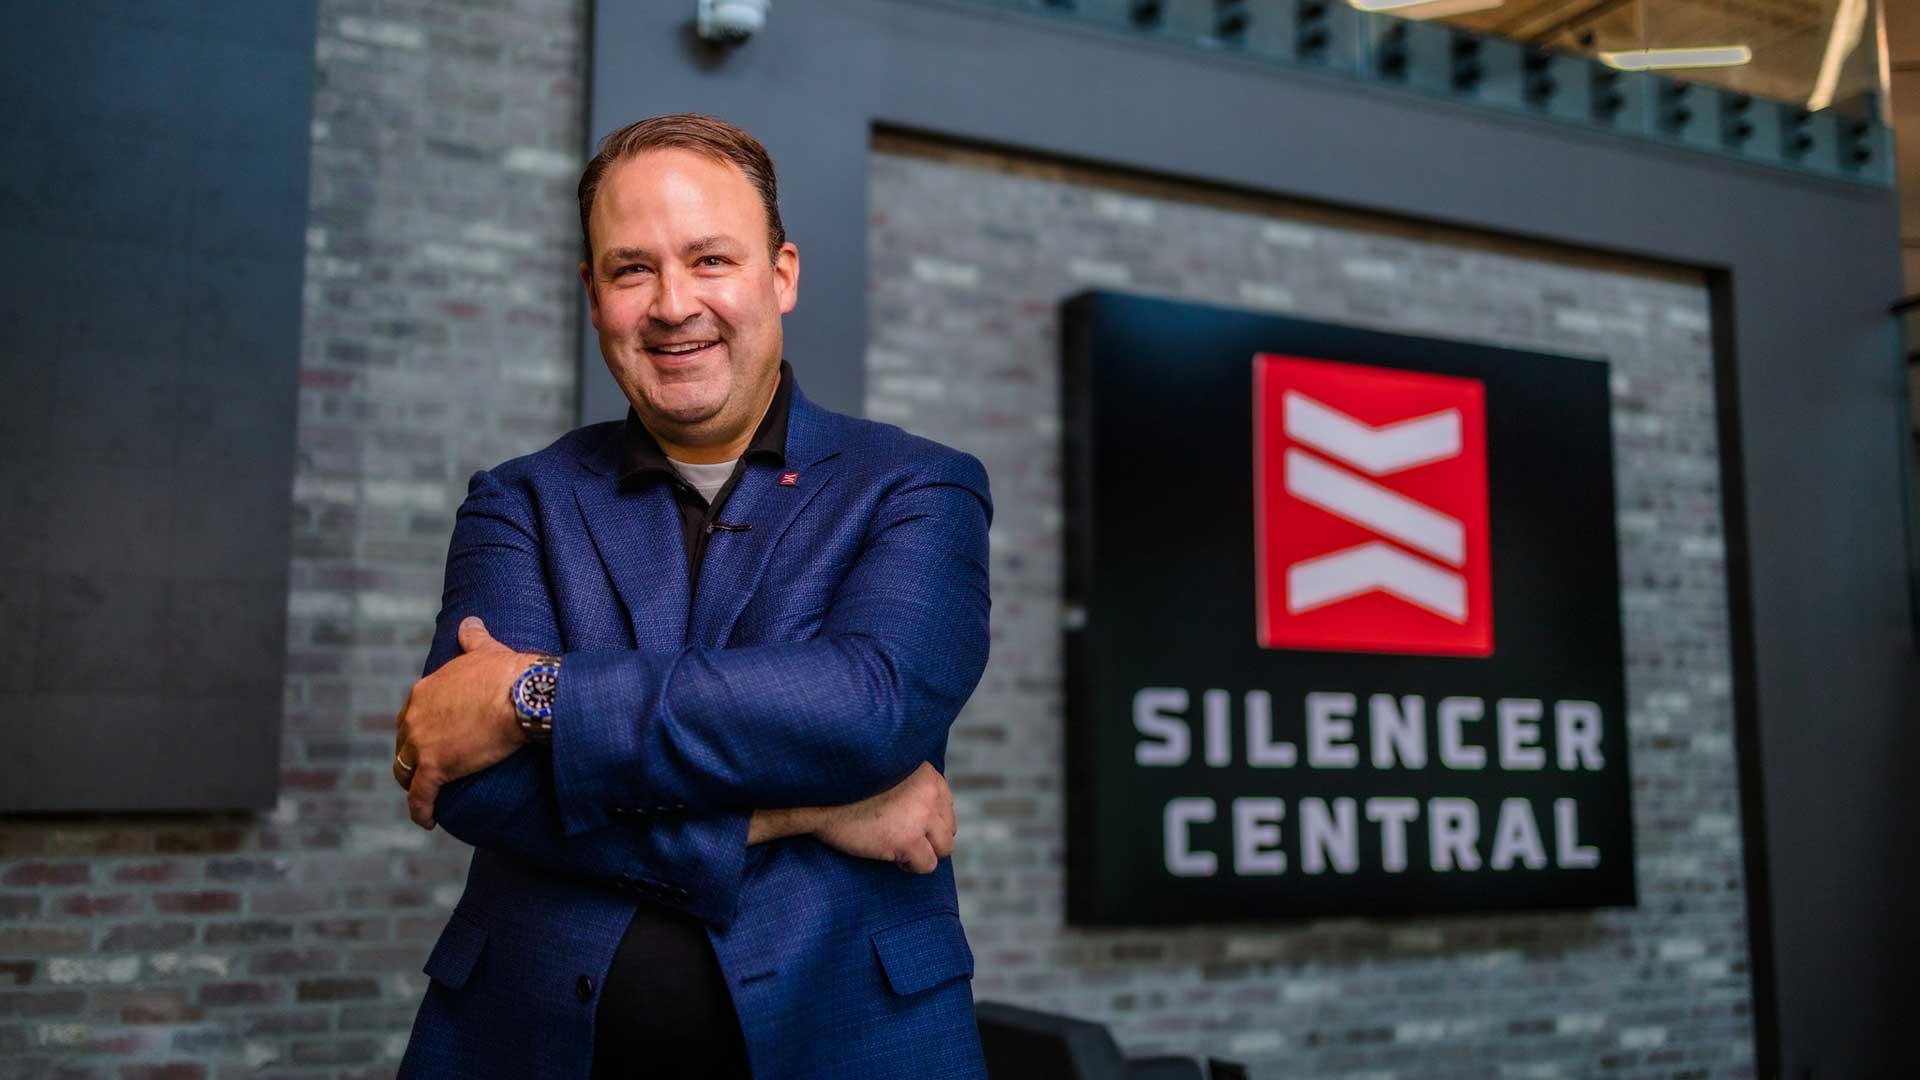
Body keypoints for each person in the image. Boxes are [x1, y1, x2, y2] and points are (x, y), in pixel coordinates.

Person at [389, 114, 993, 1079]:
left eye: (711, 259)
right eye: (632, 270)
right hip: (528, 1043)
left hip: (854, 1041)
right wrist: (809, 811)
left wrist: (532, 697)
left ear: (780, 275)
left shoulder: (916, 487)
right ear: (593, 298)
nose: (674, 305)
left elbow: (865, 709)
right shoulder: (519, 500)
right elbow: (476, 782)